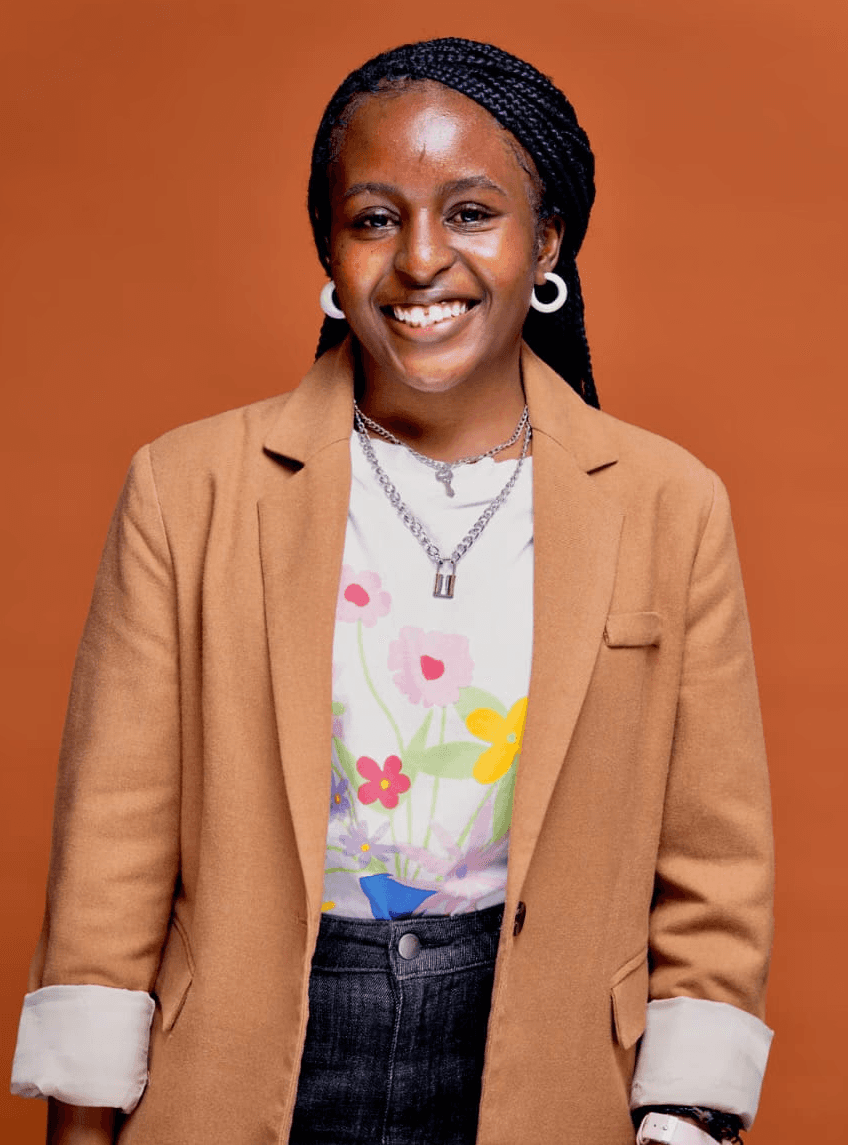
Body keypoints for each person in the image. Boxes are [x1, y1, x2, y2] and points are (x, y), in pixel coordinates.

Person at [10, 37, 774, 1145]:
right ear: (329, 244)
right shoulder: (188, 487)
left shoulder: (665, 502)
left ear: (547, 237)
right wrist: (81, 1125)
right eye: (374, 218)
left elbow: (713, 858)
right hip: (242, 1062)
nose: (422, 260)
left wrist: (688, 1117)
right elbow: (111, 845)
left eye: (471, 212)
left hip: (549, 1071)